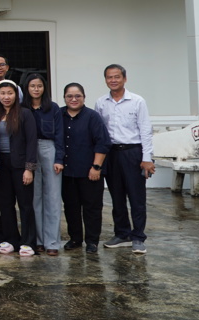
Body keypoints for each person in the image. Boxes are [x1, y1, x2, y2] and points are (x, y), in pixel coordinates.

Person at [95, 64, 154, 254]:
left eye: (117, 77)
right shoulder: (101, 103)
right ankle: (122, 234)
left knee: (137, 197)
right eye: (109, 77)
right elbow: (99, 132)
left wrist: (147, 158)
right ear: (105, 80)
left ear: (124, 79)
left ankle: (138, 237)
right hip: (111, 154)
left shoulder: (137, 101)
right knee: (116, 196)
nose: (113, 80)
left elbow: (146, 130)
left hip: (133, 152)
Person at [61, 82, 110, 254]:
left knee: (92, 208)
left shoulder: (92, 116)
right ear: (64, 98)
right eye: (69, 96)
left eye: (78, 96)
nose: (73, 99)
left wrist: (96, 166)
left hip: (90, 171)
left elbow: (103, 143)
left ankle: (92, 241)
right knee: (71, 207)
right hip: (67, 172)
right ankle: (75, 239)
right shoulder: (59, 114)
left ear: (84, 97)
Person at [0, 80, 38, 257]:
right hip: (1, 165)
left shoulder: (25, 114)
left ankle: (28, 241)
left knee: (25, 204)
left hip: (20, 165)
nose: (6, 97)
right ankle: (10, 239)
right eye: (2, 93)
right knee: (5, 204)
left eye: (10, 93)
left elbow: (32, 142)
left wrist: (29, 168)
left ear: (16, 95)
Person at [22, 73, 64, 256]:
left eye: (39, 86)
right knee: (35, 196)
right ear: (27, 88)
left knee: (53, 197)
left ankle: (52, 241)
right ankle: (38, 240)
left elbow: (60, 135)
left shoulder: (53, 108)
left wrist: (59, 159)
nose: (36, 89)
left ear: (44, 88)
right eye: (32, 86)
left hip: (49, 149)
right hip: (29, 151)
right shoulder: (22, 108)